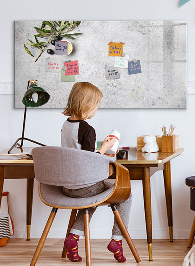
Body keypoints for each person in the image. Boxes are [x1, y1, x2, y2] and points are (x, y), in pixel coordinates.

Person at [61, 82, 131, 263]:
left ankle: (73, 238)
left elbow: (78, 154)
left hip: (67, 186)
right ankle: (117, 240)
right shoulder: (87, 129)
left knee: (91, 197)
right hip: (84, 186)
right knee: (126, 194)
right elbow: (89, 160)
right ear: (87, 105)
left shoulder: (66, 125)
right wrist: (106, 148)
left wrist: (101, 149)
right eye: (96, 106)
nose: (96, 110)